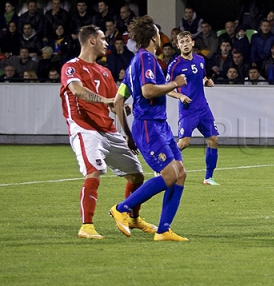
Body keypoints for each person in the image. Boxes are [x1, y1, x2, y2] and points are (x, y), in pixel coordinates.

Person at [60, 25, 156, 239]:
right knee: (94, 171)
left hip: (108, 130)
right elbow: (76, 90)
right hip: (84, 128)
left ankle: (132, 217)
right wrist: (105, 100)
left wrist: (129, 135)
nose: (106, 43)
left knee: (137, 176)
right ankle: (87, 226)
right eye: (103, 39)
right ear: (92, 41)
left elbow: (116, 105)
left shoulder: (104, 72)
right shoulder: (71, 67)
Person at [109, 15, 190, 242]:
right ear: (154, 38)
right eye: (158, 33)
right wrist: (175, 84)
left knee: (180, 174)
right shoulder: (146, 59)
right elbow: (147, 91)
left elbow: (117, 102)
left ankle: (164, 230)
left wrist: (128, 135)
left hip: (156, 126)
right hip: (149, 126)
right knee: (170, 174)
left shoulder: (137, 62)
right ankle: (121, 208)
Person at [166, 31, 220, 185]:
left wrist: (206, 82)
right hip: (187, 109)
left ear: (193, 43)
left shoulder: (200, 59)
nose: (185, 44)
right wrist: (180, 96)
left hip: (203, 107)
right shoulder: (175, 65)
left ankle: (208, 177)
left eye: (187, 41)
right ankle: (163, 165)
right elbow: (167, 88)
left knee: (213, 139)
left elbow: (201, 76)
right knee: (184, 143)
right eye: (182, 42)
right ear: (178, 46)